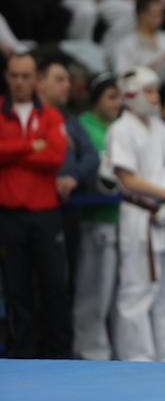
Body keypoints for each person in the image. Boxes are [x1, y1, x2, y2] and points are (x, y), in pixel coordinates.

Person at [107, 65, 165, 361]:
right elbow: (127, 179)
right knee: (137, 290)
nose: (156, 97)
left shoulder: (161, 128)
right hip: (139, 215)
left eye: (156, 91)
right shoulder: (120, 130)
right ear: (131, 94)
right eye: (149, 91)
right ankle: (137, 358)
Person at [0, 53, 71, 358]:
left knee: (54, 285)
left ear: (36, 79)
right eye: (14, 75)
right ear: (6, 77)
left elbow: (54, 157)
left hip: (45, 214)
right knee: (16, 287)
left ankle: (60, 352)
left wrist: (10, 154)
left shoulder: (51, 115)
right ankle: (22, 352)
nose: (20, 81)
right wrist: (31, 145)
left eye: (26, 75)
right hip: (9, 215)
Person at [36, 59, 100, 285]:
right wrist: (49, 182)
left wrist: (74, 177)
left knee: (68, 279)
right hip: (33, 211)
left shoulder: (70, 121)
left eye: (68, 80)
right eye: (59, 79)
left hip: (69, 210)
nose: (67, 85)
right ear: (40, 82)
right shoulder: (26, 118)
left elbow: (91, 156)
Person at [74, 72, 122, 360]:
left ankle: (116, 353)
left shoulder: (121, 126)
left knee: (118, 295)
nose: (117, 103)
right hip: (96, 218)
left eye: (120, 97)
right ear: (96, 99)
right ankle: (89, 353)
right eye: (111, 97)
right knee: (94, 291)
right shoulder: (83, 126)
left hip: (123, 220)